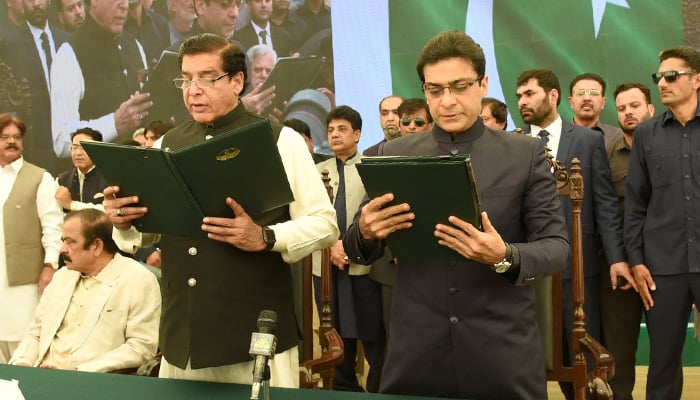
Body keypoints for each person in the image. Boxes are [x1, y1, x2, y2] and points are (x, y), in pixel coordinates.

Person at [343, 30, 569, 399]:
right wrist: (367, 231)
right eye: (435, 90)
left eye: (460, 86)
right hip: (415, 349)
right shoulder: (391, 153)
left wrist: (505, 256)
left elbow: (557, 246)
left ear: (483, 84)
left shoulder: (524, 154)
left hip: (502, 349)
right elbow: (354, 246)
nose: (447, 101)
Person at [103, 33, 338, 386]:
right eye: (186, 78)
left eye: (207, 78)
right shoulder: (169, 143)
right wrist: (123, 220)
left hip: (253, 335)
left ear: (237, 81)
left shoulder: (278, 139)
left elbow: (324, 224)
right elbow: (147, 232)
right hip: (183, 334)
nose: (193, 89)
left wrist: (266, 236)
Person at [515, 68, 631, 400]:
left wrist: (616, 259)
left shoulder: (588, 140)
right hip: (532, 270)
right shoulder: (513, 141)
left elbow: (605, 205)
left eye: (530, 94)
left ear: (553, 96)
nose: (522, 101)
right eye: (519, 95)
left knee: (583, 355)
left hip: (579, 268)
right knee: (544, 358)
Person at [625, 45, 700, 400]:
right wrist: (637, 260)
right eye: (659, 77)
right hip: (662, 268)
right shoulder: (646, 134)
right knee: (662, 365)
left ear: (697, 80)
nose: (663, 83)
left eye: (672, 76)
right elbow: (636, 203)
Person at [9, 209, 161, 372]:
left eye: (70, 242)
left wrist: (79, 371)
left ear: (96, 246)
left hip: (92, 383)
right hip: (41, 376)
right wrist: (22, 363)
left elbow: (140, 348)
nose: (62, 249)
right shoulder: (61, 277)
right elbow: (36, 333)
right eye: (63, 241)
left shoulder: (137, 279)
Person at [314, 105, 384, 392]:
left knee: (372, 332)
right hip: (327, 266)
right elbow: (310, 216)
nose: (334, 134)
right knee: (335, 334)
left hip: (364, 266)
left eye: (342, 129)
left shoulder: (372, 168)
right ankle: (342, 389)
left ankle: (378, 390)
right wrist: (331, 247)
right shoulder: (317, 172)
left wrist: (350, 247)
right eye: (330, 130)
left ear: (357, 134)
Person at [602, 82, 654, 400]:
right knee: (618, 356)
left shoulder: (673, 152)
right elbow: (605, 215)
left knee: (666, 353)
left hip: (664, 269)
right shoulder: (608, 155)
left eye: (635, 105)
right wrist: (619, 260)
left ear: (651, 108)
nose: (628, 113)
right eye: (622, 108)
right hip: (622, 273)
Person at [50, 0, 153, 158]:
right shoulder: (69, 54)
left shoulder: (134, 45)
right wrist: (114, 124)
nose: (124, 5)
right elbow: (61, 141)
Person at [0, 114, 63, 364]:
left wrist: (50, 265)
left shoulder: (39, 177)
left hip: (24, 278)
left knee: (23, 341)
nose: (12, 142)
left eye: (16, 137)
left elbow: (53, 225)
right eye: (5, 137)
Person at [0, 0, 69, 175]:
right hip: (35, 144)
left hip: (68, 140)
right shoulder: (10, 44)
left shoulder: (65, 40)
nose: (36, 4)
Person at [55, 128, 109, 212]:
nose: (78, 153)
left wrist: (72, 204)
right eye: (74, 147)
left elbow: (110, 212)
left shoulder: (110, 178)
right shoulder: (61, 180)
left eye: (84, 147)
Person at [568, 73, 624, 147]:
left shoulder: (618, 137)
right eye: (580, 93)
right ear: (571, 102)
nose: (587, 98)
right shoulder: (557, 135)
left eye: (594, 93)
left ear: (603, 103)